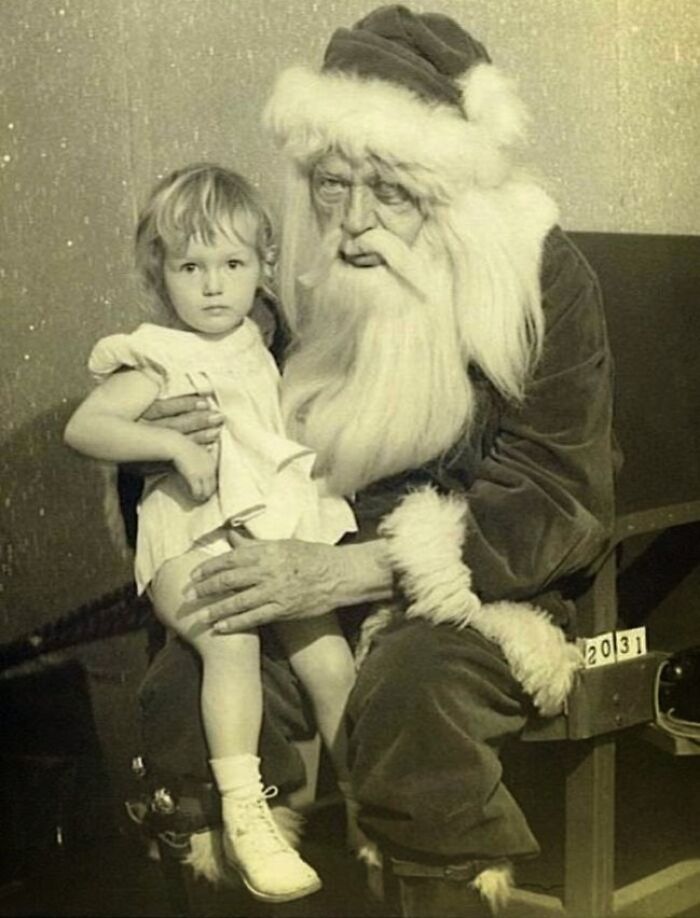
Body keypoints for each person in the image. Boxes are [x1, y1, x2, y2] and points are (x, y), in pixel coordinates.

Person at [123, 7, 617, 917]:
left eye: (389, 190)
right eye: (330, 185)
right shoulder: (299, 289)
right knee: (188, 684)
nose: (352, 224)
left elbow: (559, 495)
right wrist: (175, 435)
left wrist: (351, 572)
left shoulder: (542, 282)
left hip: (483, 588)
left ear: (450, 192)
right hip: (314, 565)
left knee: (412, 692)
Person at [64, 163, 361, 903]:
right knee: (231, 640)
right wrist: (171, 444)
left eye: (231, 264)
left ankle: (369, 803)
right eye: (189, 267)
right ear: (158, 272)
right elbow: (85, 427)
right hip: (189, 538)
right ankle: (245, 813)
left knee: (328, 659)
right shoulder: (160, 356)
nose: (212, 286)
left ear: (263, 266)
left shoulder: (258, 340)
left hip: (265, 529)